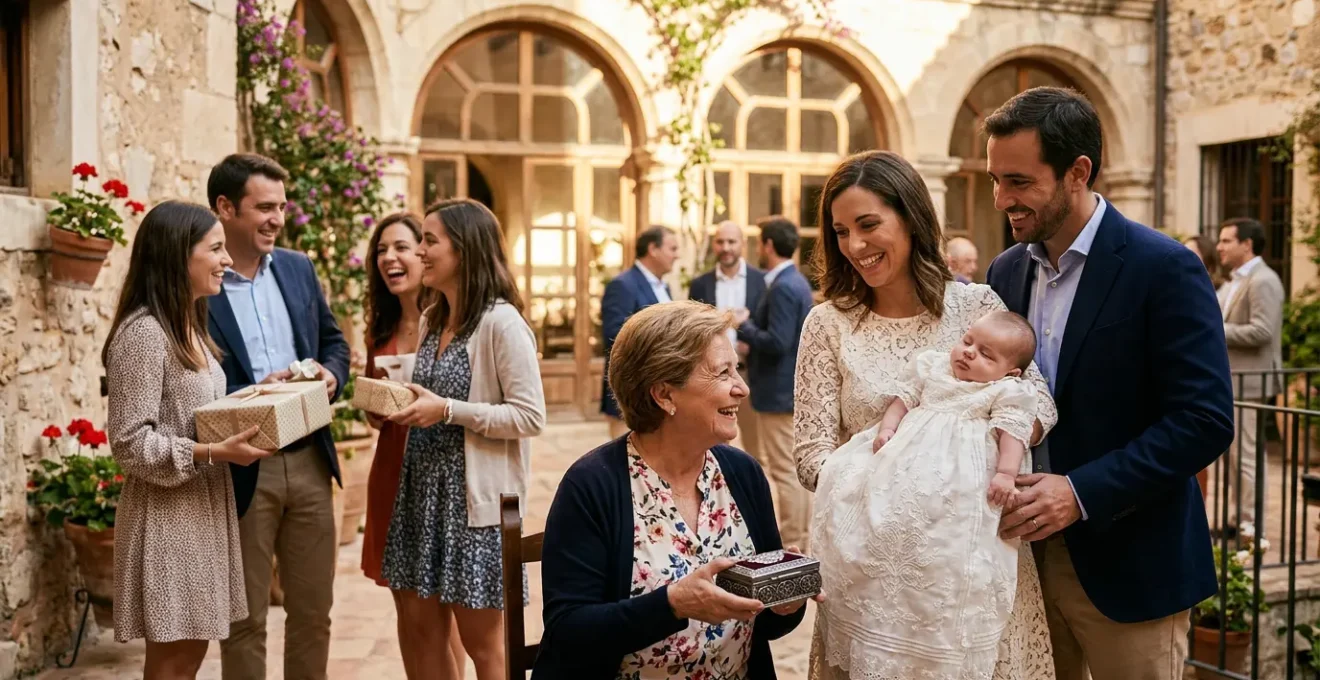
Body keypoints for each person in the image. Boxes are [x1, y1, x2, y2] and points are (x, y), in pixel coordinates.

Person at [983, 86, 1233, 680]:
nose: (1001, 199)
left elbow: (1204, 420)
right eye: (995, 180)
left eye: (1018, 182)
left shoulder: (1165, 266)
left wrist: (1079, 492)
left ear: (1078, 172)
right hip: (1020, 565)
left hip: (1133, 565)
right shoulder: (1004, 270)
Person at [794, 149, 1058, 680]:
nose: (856, 246)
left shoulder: (974, 305)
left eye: (869, 225)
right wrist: (888, 486)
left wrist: (974, 454)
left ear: (911, 218)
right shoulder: (828, 325)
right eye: (841, 232)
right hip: (873, 573)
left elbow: (1040, 401)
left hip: (971, 562)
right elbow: (809, 454)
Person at [535, 301, 813, 679]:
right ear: (664, 395)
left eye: (738, 369)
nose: (742, 388)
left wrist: (784, 603)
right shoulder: (591, 486)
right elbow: (569, 634)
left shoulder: (742, 474)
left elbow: (761, 627)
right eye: (722, 373)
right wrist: (672, 605)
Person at [814, 310, 1047, 678]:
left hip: (960, 484)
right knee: (864, 506)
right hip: (903, 464)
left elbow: (1012, 432)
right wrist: (888, 429)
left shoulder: (1006, 392)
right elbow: (902, 400)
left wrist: (1005, 473)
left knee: (953, 552)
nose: (969, 353)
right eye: (968, 341)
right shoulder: (933, 366)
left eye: (987, 354)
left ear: (1010, 372)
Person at [103, 201, 269, 679]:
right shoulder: (143, 334)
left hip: (200, 512)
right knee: (172, 667)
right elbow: (130, 443)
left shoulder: (188, 326)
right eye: (216, 248)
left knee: (188, 663)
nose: (227, 260)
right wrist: (215, 452)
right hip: (168, 522)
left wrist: (259, 396)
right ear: (179, 255)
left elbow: (195, 413)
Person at [382, 198, 547, 680]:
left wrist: (448, 410)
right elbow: (434, 397)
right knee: (420, 630)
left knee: (485, 647)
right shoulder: (433, 319)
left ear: (466, 249)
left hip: (473, 508)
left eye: (430, 241)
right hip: (420, 497)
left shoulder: (502, 323)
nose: (420, 252)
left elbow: (529, 415)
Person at [207, 153, 351, 680]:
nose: (277, 218)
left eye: (281, 207)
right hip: (243, 465)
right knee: (243, 620)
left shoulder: (297, 267)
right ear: (225, 208)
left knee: (314, 614)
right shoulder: (202, 282)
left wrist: (332, 376)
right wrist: (252, 394)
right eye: (263, 207)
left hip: (311, 458)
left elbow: (335, 343)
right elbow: (195, 383)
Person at [358, 212, 467, 677]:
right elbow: (373, 412)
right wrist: (375, 404)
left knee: (451, 618)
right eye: (382, 250)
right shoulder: (379, 330)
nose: (391, 258)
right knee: (410, 614)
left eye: (402, 246)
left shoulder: (451, 324)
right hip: (391, 470)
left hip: (442, 474)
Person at [734, 216, 815, 551]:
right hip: (783, 390)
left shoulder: (783, 286)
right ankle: (798, 538)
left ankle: (794, 541)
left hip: (779, 393)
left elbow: (778, 341)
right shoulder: (793, 281)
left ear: (767, 245)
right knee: (787, 469)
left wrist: (745, 325)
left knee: (785, 471)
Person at [1215, 217, 1284, 529]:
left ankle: (1249, 524)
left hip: (1250, 382)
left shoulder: (1263, 280)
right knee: (1234, 457)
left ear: (1247, 244)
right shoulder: (1234, 281)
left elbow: (1263, 331)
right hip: (1231, 381)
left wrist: (1216, 330)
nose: (1219, 246)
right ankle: (1237, 518)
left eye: (1227, 240)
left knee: (1246, 457)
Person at [688, 220, 765, 454]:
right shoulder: (700, 284)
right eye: (720, 242)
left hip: (751, 374)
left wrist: (753, 341)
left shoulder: (761, 281)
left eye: (731, 241)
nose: (726, 247)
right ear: (714, 244)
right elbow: (693, 328)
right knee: (715, 445)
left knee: (756, 450)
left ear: (742, 244)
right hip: (714, 376)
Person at [601, 225, 680, 439]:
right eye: (672, 248)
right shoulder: (623, 285)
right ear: (653, 249)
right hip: (631, 390)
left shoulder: (664, 287)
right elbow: (615, 335)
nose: (677, 255)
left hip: (658, 393)